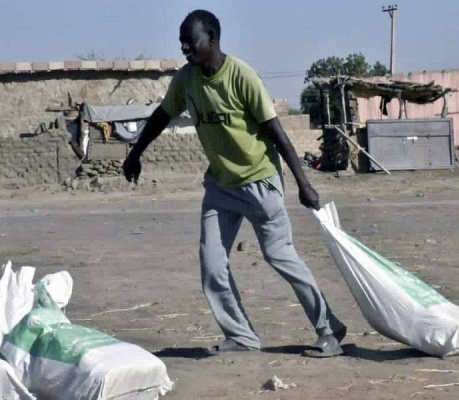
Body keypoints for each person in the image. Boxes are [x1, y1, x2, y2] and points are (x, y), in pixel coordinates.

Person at [123, 9, 346, 357]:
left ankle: (329, 329)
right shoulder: (185, 80)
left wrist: (304, 184)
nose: (185, 48)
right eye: (181, 42)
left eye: (191, 41)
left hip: (260, 183)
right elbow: (161, 115)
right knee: (212, 264)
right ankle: (241, 336)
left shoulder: (243, 77)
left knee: (280, 257)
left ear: (212, 38)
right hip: (220, 187)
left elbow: (277, 133)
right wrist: (135, 153)